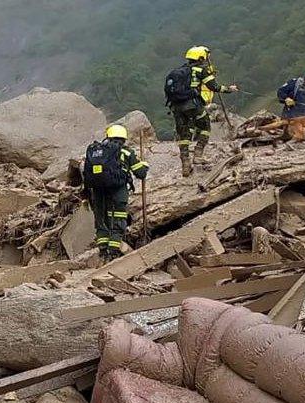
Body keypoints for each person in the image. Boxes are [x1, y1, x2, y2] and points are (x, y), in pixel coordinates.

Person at [165, 45, 238, 177]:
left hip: (176, 107)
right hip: (192, 105)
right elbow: (214, 87)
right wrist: (229, 89)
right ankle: (198, 155)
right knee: (205, 126)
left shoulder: (180, 70)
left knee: (184, 134)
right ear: (200, 57)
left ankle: (185, 165)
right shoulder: (201, 70)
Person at [82, 124, 149, 260]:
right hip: (117, 192)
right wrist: (145, 165)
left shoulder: (97, 151)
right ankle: (113, 253)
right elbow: (140, 173)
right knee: (117, 220)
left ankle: (102, 252)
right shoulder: (126, 152)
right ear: (123, 139)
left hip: (98, 191)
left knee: (101, 221)